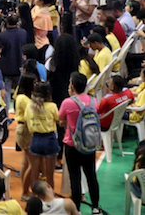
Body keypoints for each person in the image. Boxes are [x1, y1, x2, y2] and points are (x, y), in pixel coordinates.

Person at [59, 72, 101, 213]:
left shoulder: (68, 102)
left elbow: (61, 120)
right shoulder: (93, 101)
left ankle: (76, 208)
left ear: (72, 85)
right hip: (89, 144)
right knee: (91, 175)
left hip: (72, 144)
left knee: (74, 177)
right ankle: (95, 206)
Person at [25, 83, 59, 192]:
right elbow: (58, 120)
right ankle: (50, 198)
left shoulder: (29, 106)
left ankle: (35, 197)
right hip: (50, 139)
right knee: (49, 174)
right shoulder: (52, 106)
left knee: (34, 173)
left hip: (36, 139)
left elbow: (26, 122)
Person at [0, 14, 28, 107]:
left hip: (7, 68)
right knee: (21, 93)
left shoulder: (1, 35)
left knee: (6, 93)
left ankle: (6, 117)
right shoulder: (23, 32)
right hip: (20, 66)